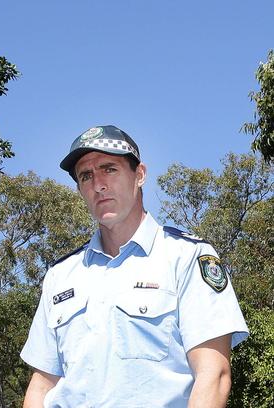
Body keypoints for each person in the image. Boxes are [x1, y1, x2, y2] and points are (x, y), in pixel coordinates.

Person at [20, 125, 249, 408]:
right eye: (86, 176)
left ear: (139, 175)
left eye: (109, 169)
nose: (98, 184)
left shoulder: (187, 256)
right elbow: (41, 387)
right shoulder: (60, 275)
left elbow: (213, 374)